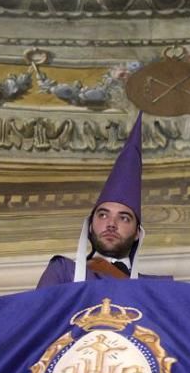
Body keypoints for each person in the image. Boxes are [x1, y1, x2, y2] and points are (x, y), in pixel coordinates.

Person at [37, 112, 172, 287]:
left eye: (123, 218)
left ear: (138, 232)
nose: (111, 224)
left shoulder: (157, 288)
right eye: (103, 215)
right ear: (90, 225)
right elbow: (40, 313)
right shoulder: (63, 271)